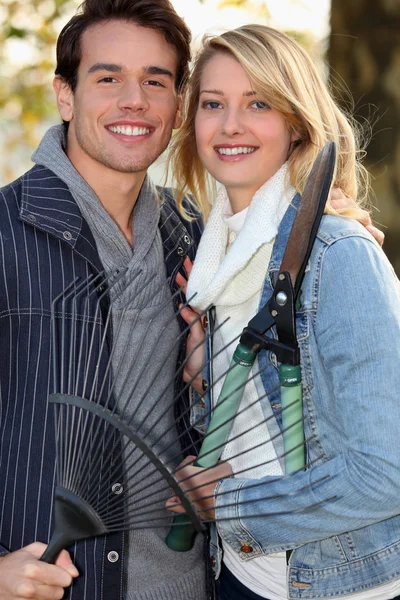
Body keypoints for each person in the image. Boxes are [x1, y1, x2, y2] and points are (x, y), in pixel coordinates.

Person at [165, 24, 400, 600]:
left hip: (332, 583)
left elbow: (387, 473)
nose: (230, 126)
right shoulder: (217, 260)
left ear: (296, 123)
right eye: (213, 104)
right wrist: (204, 378)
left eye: (259, 103)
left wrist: (229, 504)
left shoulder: (339, 255)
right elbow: (263, 429)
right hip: (242, 573)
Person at [0, 1, 208, 599]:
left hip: (188, 584)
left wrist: (339, 235)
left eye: (155, 81)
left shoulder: (199, 236)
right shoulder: (5, 232)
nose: (134, 100)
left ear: (176, 104)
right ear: (65, 95)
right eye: (108, 77)